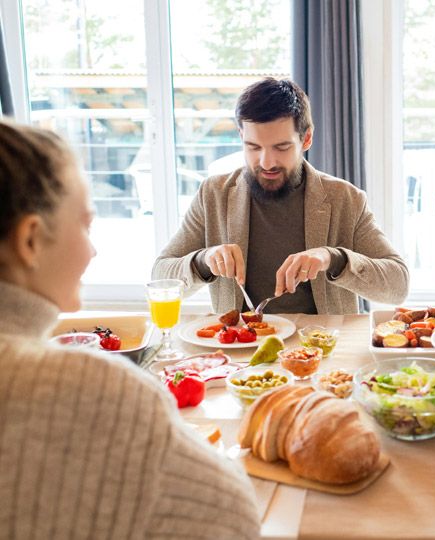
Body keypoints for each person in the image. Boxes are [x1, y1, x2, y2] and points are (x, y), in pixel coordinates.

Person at [0, 120, 259, 538]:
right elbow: (236, 520)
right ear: (30, 240)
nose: (93, 249)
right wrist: (202, 260)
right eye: (85, 225)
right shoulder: (98, 390)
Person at [153, 78, 408, 315]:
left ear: (306, 139)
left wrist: (334, 259)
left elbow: (398, 286)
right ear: (241, 137)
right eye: (253, 147)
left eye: (282, 147)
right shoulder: (213, 195)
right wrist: (203, 260)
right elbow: (159, 278)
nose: (267, 162)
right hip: (241, 353)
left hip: (323, 351)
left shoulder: (346, 199)